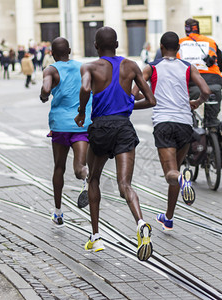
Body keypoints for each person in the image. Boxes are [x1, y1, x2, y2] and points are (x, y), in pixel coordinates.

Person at [74, 27, 156, 261]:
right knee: (125, 184)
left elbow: (86, 88)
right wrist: (128, 107)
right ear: (117, 44)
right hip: (123, 128)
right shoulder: (131, 66)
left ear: (96, 46)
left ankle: (96, 236)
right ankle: (140, 223)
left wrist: (82, 112)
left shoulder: (89, 67)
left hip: (100, 128)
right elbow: (151, 100)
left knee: (94, 178)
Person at [133, 31, 211, 230]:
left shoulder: (151, 67)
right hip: (185, 123)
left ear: (161, 47)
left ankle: (181, 179)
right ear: (178, 49)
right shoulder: (187, 67)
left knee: (171, 173)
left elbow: (134, 94)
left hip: (164, 123)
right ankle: (168, 217)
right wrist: (196, 102)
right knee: (176, 168)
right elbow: (206, 91)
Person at [40, 37, 92, 227]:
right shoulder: (84, 67)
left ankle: (58, 212)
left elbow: (46, 88)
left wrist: (44, 95)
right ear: (69, 50)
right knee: (79, 165)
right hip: (82, 123)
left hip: (60, 125)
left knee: (59, 167)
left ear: (52, 53)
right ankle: (85, 175)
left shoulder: (51, 70)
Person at [177, 18, 222, 128]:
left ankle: (192, 125)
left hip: (193, 84)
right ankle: (214, 129)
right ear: (198, 28)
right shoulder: (211, 42)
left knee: (188, 114)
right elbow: (220, 65)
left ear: (186, 29)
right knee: (213, 119)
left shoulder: (181, 43)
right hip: (214, 82)